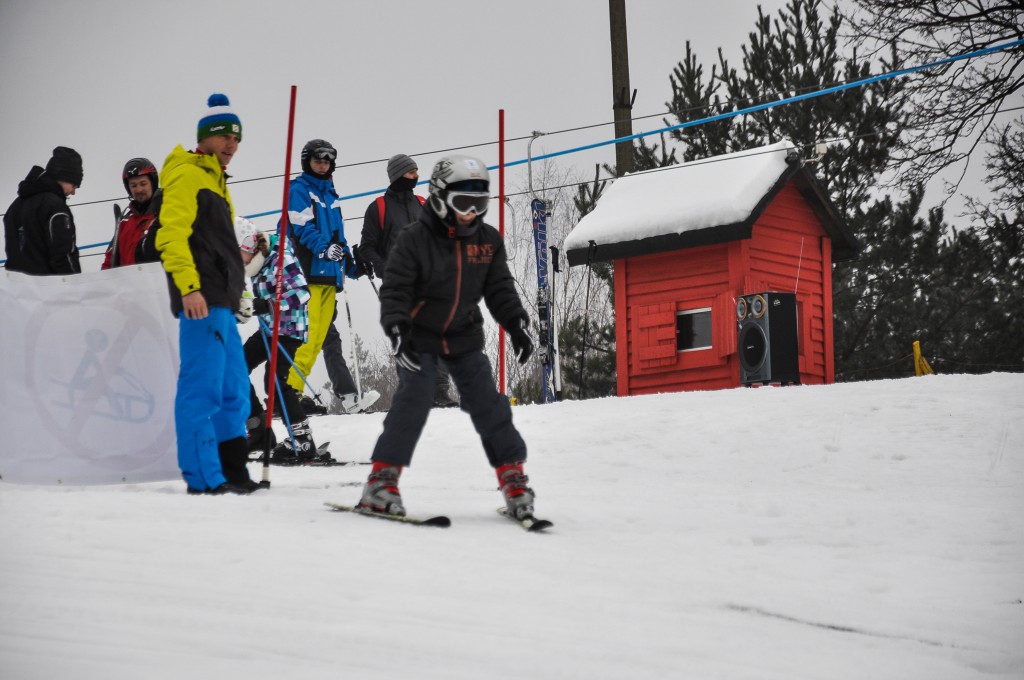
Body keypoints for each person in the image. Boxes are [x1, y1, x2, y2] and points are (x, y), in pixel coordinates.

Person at [357, 154, 537, 520]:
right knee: (415, 399)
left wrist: (515, 323)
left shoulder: (486, 240)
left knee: (488, 402)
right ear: (440, 198)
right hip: (419, 335)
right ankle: (382, 481)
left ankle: (512, 476)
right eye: (462, 202)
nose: (471, 212)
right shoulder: (414, 239)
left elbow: (499, 286)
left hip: (462, 334)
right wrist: (396, 328)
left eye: (478, 203)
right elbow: (395, 289)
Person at [156, 93, 256, 495]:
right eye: (225, 137)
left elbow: (223, 248)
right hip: (201, 300)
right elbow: (171, 236)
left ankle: (233, 471)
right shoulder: (186, 174)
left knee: (234, 388)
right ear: (207, 138)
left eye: (237, 139)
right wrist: (189, 288)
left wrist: (240, 293)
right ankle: (203, 477)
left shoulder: (217, 180)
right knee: (203, 388)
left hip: (224, 302)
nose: (232, 145)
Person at [359, 153, 457, 408]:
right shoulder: (378, 208)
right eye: (411, 172)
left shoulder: (423, 203)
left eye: (416, 171)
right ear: (398, 174)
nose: (416, 176)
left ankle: (440, 392)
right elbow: (367, 248)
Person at [285, 139, 370, 412]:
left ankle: (293, 394)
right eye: (317, 161)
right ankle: (288, 394)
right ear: (306, 162)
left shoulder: (331, 194)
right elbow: (303, 228)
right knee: (307, 340)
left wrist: (351, 265)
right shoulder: (299, 190)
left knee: (318, 339)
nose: (322, 165)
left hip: (329, 278)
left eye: (326, 161)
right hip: (309, 273)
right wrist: (325, 250)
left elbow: (338, 238)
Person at [234, 218, 327, 463]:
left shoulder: (280, 258)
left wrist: (270, 304)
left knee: (274, 381)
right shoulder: (254, 264)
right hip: (268, 328)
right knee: (236, 367)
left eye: (237, 254)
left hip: (289, 328)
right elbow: (250, 296)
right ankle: (257, 430)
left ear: (250, 246)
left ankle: (303, 441)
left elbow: (301, 292)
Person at [3, 146, 83, 275]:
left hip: (17, 288)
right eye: (74, 185)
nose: (73, 192)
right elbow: (62, 254)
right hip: (48, 289)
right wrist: (74, 285)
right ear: (63, 177)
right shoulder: (55, 207)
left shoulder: (15, 206)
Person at [101, 158, 162, 269]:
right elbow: (110, 258)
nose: (138, 190)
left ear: (152, 183)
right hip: (130, 284)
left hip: (158, 282)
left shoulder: (165, 214)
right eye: (133, 186)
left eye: (143, 184)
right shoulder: (125, 221)